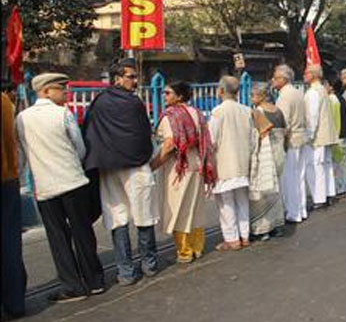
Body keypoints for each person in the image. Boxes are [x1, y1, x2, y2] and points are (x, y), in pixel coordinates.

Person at [16, 73, 105, 303]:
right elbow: (80, 148)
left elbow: (24, 153)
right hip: (73, 182)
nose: (66, 93)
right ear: (46, 91)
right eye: (61, 90)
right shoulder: (62, 114)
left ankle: (72, 285)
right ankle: (94, 281)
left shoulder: (22, 118)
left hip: (45, 187)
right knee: (82, 232)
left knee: (58, 238)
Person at [84, 58, 159, 286]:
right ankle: (149, 264)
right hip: (135, 167)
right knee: (143, 214)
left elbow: (88, 131)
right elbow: (142, 133)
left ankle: (125, 271)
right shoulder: (133, 103)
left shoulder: (99, 102)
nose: (135, 81)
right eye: (131, 77)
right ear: (118, 78)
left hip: (108, 168)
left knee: (118, 217)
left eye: (135, 77)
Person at [151, 81, 216, 263]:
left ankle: (184, 251)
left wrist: (152, 165)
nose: (165, 97)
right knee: (195, 207)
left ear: (179, 96)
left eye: (168, 93)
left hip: (178, 167)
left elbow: (170, 145)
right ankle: (197, 247)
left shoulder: (170, 116)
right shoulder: (197, 113)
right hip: (196, 164)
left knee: (179, 207)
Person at [209, 76, 257, 251]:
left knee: (226, 203)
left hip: (224, 163)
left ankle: (232, 238)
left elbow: (211, 140)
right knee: (242, 200)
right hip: (243, 162)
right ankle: (244, 235)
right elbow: (253, 139)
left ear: (221, 91)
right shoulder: (246, 110)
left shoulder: (218, 112)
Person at [249, 84, 286, 241]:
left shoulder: (258, 112)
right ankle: (277, 224)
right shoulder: (278, 110)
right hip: (280, 152)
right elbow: (286, 131)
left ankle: (263, 228)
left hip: (266, 154)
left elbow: (255, 136)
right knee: (276, 190)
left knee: (262, 192)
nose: (251, 98)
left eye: (253, 95)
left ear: (262, 96)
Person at [2, 89, 27, 317]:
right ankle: (15, 301)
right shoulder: (4, 103)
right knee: (10, 243)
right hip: (7, 179)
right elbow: (15, 146)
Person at [272, 65, 307, 223]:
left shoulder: (284, 96)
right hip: (300, 137)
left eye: (275, 77)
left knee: (290, 178)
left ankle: (293, 212)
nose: (273, 80)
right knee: (299, 177)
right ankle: (301, 209)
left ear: (283, 79)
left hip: (291, 140)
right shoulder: (297, 92)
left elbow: (283, 122)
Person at [303, 64, 337, 208]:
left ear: (313, 75)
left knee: (315, 167)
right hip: (327, 133)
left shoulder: (312, 92)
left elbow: (312, 116)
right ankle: (329, 193)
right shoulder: (322, 89)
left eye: (306, 72)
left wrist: (309, 135)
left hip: (317, 136)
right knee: (326, 165)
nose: (304, 75)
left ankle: (319, 198)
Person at [327, 80, 346, 196]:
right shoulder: (341, 98)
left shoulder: (332, 99)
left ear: (331, 87)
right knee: (342, 161)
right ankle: (342, 185)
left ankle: (339, 186)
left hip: (338, 135)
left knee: (337, 162)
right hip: (344, 133)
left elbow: (335, 119)